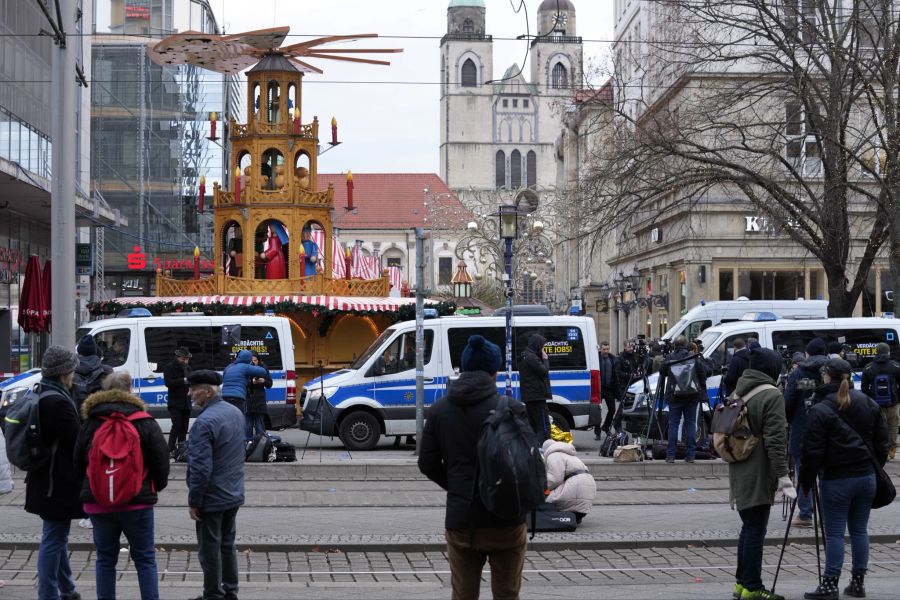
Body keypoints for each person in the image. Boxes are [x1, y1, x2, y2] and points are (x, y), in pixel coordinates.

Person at [418, 335, 527, 599]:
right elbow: (526, 464)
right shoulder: (511, 409)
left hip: (462, 519)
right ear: (495, 372)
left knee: (463, 595)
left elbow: (427, 463)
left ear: (464, 368)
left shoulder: (439, 410)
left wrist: (457, 485)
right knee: (507, 594)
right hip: (506, 519)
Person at [73, 371, 169, 600]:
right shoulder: (145, 422)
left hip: (98, 504)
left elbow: (77, 462)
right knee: (145, 558)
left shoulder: (91, 422)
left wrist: (91, 488)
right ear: (129, 391)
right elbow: (161, 462)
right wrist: (153, 487)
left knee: (105, 559)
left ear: (104, 392)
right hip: (137, 502)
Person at [800, 358, 889, 600]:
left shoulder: (821, 408)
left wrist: (806, 483)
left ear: (827, 377)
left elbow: (812, 451)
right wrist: (874, 466)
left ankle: (830, 584)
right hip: (866, 475)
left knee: (836, 532)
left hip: (837, 478)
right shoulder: (868, 402)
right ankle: (857, 583)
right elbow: (883, 441)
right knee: (859, 530)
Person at [728, 347, 795, 600]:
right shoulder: (771, 394)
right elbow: (776, 440)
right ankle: (753, 587)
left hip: (740, 465)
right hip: (758, 469)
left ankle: (742, 584)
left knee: (749, 528)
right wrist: (784, 476)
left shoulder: (740, 390)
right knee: (756, 529)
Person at [24, 346, 84, 600]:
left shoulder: (42, 392)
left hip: (44, 477)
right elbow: (77, 440)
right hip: (57, 481)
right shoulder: (57, 402)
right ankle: (47, 593)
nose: (74, 374)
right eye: (72, 369)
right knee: (54, 536)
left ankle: (67, 588)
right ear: (64, 372)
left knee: (58, 535)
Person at [186, 369, 246, 600]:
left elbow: (200, 468)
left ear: (208, 392)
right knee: (227, 544)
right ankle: (230, 591)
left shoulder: (204, 422)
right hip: (233, 492)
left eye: (194, 390)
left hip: (212, 497)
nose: (191, 394)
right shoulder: (235, 413)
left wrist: (194, 501)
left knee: (210, 549)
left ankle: (213, 594)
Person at [783, 337, 828, 528]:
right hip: (828, 433)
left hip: (803, 432)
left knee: (803, 475)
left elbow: (788, 403)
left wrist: (791, 420)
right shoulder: (831, 372)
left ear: (807, 353)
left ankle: (805, 514)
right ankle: (827, 515)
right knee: (826, 475)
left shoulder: (799, 373)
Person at [658, 335, 708, 463]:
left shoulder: (670, 357)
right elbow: (703, 374)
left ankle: (670, 455)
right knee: (690, 423)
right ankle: (690, 455)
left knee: (673, 424)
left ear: (674, 346)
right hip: (692, 395)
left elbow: (662, 372)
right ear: (686, 345)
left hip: (674, 396)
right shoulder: (693, 357)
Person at [541, 439, 596, 524]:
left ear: (546, 450)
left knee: (543, 500)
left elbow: (555, 479)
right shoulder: (570, 455)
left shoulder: (554, 455)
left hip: (576, 486)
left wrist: (541, 488)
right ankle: (575, 516)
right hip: (588, 485)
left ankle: (554, 516)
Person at [860, 342, 900, 461]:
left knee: (878, 426)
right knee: (893, 426)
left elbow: (864, 387)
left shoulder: (868, 367)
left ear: (875, 352)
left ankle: (881, 450)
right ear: (888, 352)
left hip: (875, 404)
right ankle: (892, 450)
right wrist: (897, 399)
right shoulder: (896, 366)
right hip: (893, 403)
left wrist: (869, 401)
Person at [518, 333, 552, 443]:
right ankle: (542, 451)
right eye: (542, 346)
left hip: (530, 397)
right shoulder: (531, 357)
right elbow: (543, 372)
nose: (543, 349)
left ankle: (534, 451)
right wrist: (545, 359)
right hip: (536, 397)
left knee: (534, 426)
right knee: (544, 426)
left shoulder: (526, 356)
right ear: (537, 345)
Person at [163, 347, 193, 456]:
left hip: (186, 402)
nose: (185, 361)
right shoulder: (169, 367)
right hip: (175, 402)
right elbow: (168, 383)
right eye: (183, 359)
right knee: (176, 425)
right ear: (178, 357)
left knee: (184, 427)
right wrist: (183, 380)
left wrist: (191, 387)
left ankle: (181, 449)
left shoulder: (188, 368)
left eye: (187, 359)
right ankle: (170, 449)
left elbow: (191, 380)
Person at [72, 334, 112, 414]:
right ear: (94, 351)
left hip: (75, 418)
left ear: (79, 351)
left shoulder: (70, 372)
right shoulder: (106, 371)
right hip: (98, 418)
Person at [593, 341, 619, 440]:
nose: (606, 351)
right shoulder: (596, 358)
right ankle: (597, 432)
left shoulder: (612, 359)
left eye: (607, 349)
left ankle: (606, 427)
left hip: (609, 388)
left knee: (612, 409)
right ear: (600, 349)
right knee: (597, 410)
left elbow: (615, 375)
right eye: (604, 349)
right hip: (598, 388)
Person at [245, 351, 272, 441]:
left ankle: (260, 446)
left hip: (259, 400)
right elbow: (242, 384)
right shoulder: (245, 368)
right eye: (251, 361)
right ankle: (247, 446)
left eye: (255, 360)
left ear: (259, 360)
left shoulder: (264, 368)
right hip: (248, 399)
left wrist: (263, 381)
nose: (253, 362)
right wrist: (252, 382)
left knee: (259, 426)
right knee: (248, 426)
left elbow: (269, 384)